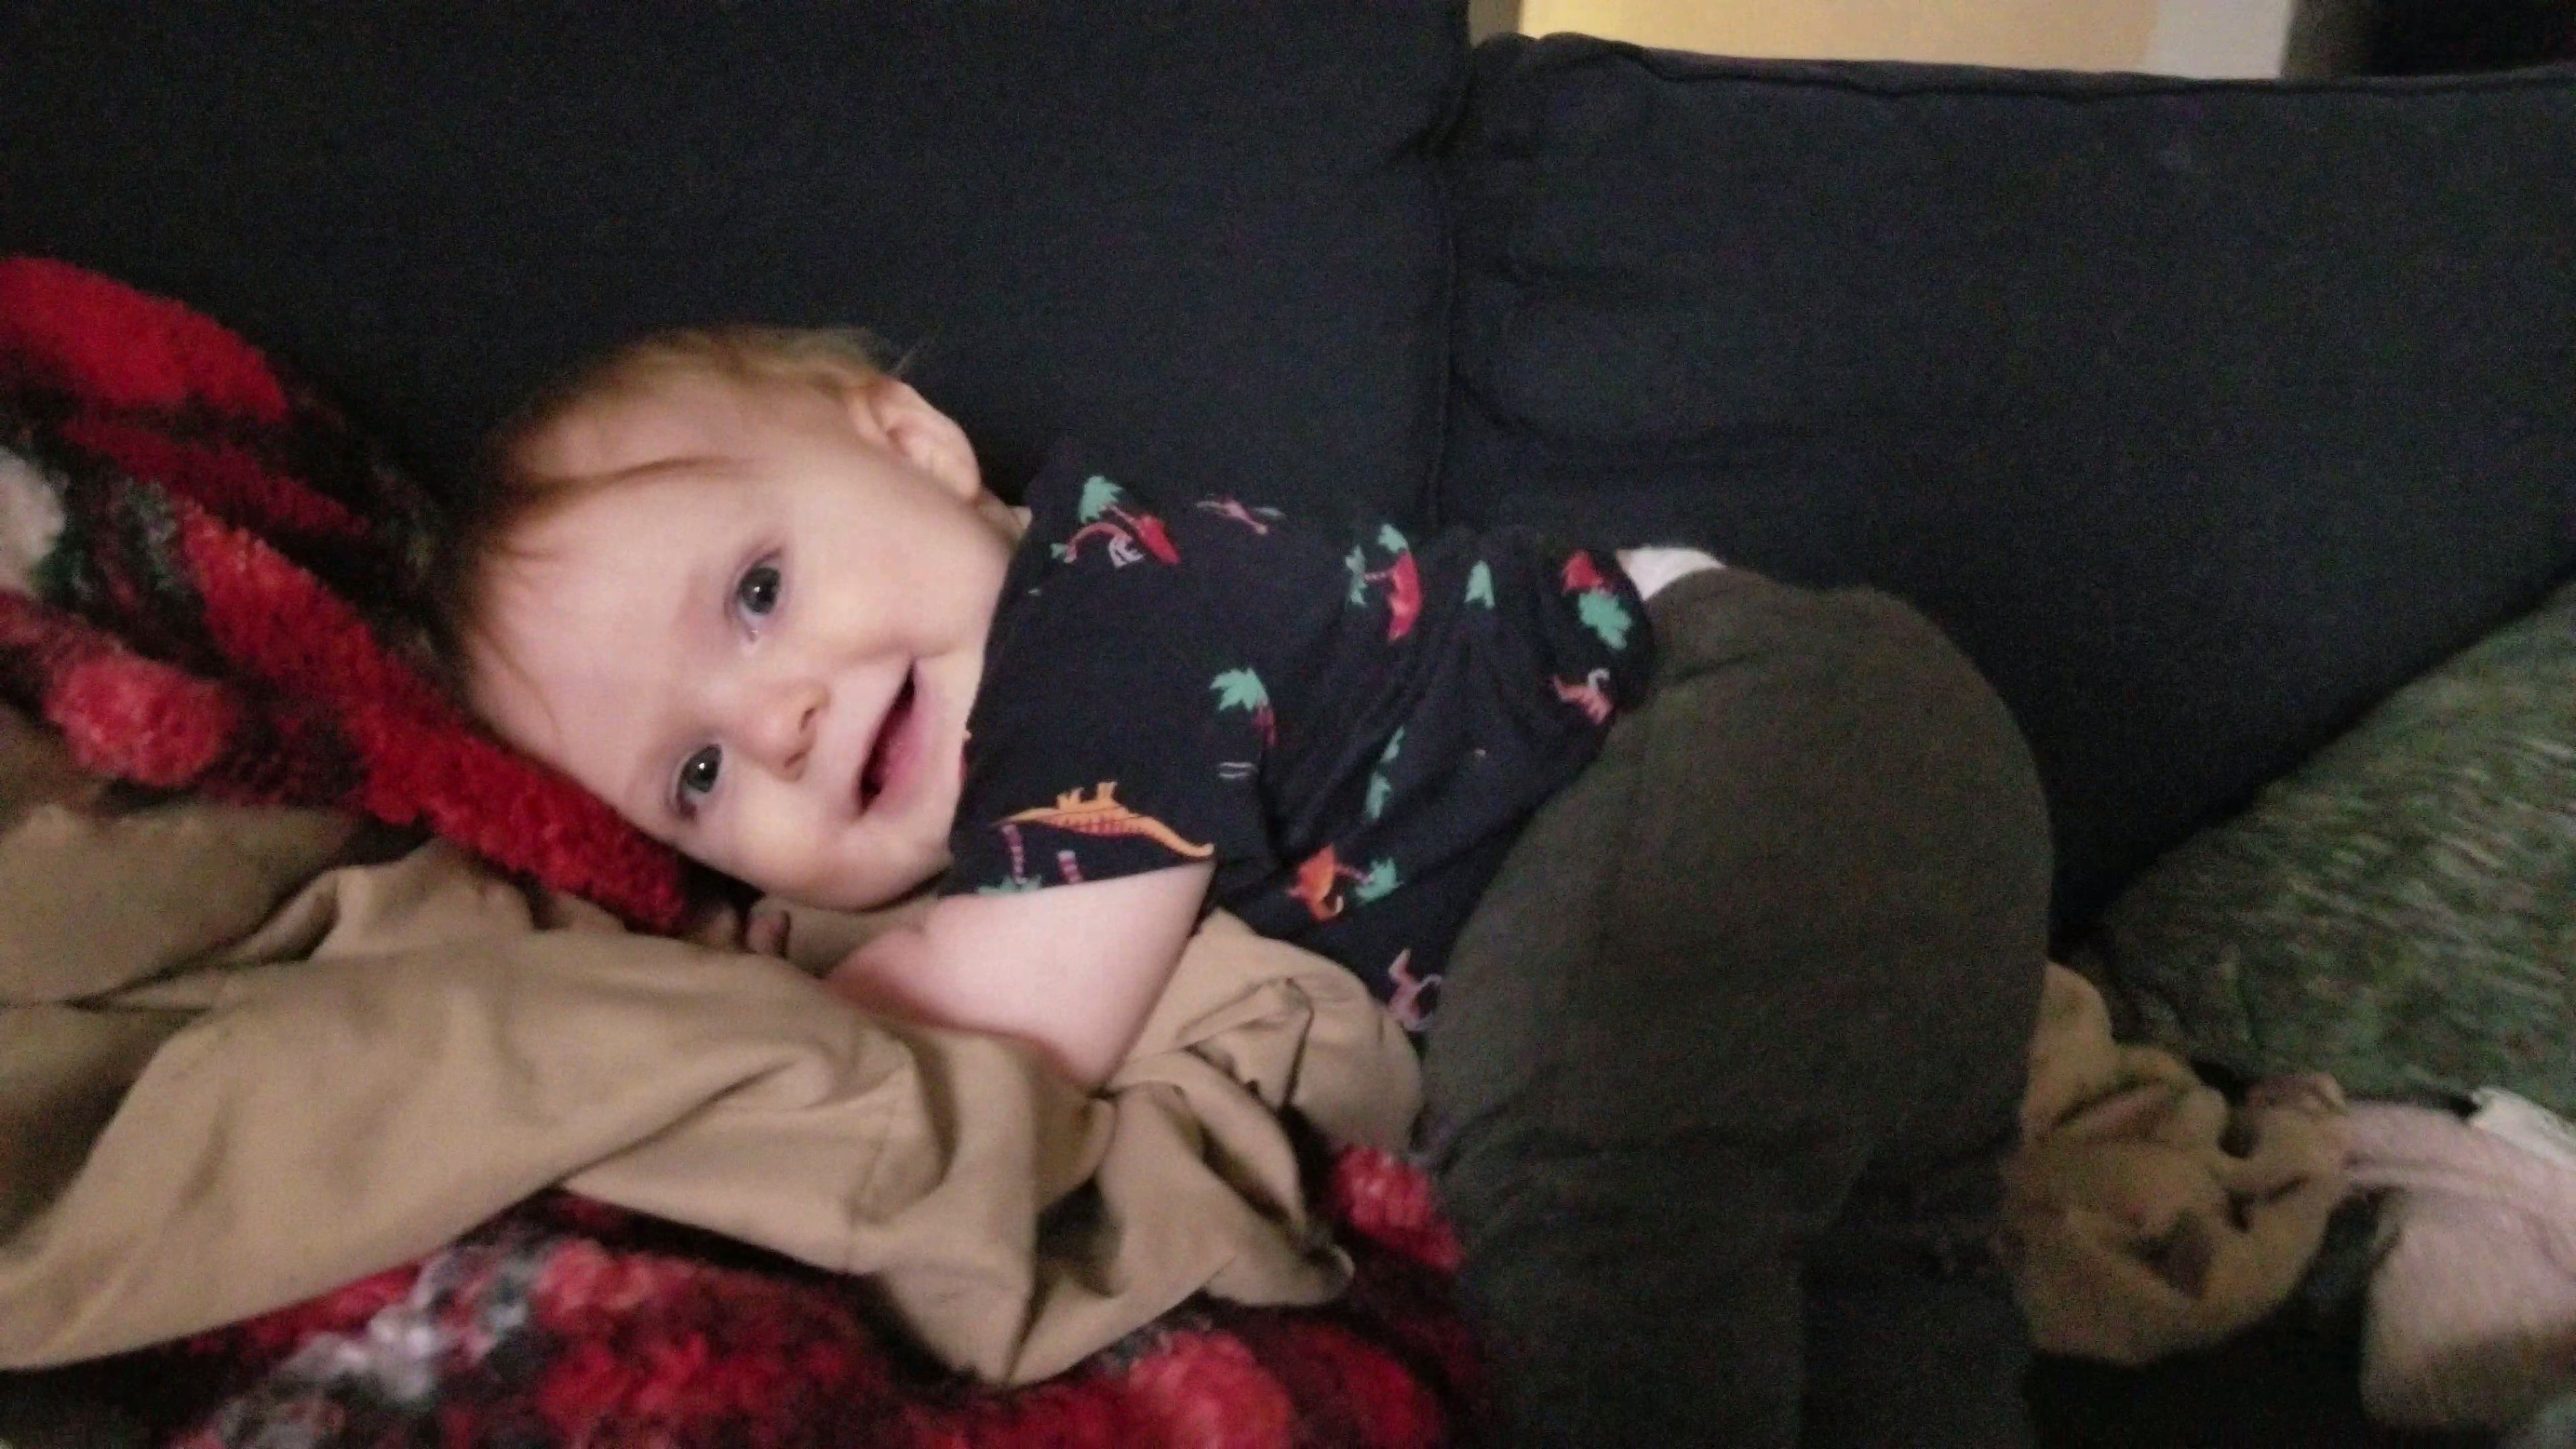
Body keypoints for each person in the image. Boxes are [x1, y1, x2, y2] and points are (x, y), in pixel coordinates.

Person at [433, 325, 2052, 1446]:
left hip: (1738, 722)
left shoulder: (1099, 626)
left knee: (1577, 1185)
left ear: (913, 445)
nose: (775, 720)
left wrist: (732, 1010)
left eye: (758, 593)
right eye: (696, 777)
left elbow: (1020, 1022)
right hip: (1870, 867)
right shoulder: (1046, 709)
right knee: (1887, 1282)